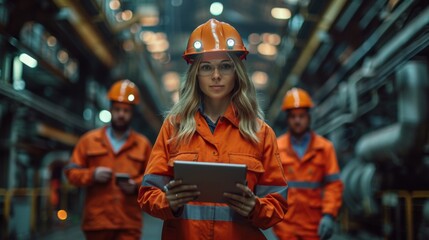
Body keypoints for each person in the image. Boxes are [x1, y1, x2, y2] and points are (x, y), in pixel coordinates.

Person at [138, 18, 288, 240]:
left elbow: (277, 203)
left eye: (225, 66)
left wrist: (255, 207)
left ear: (237, 73)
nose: (216, 75)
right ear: (195, 75)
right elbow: (148, 194)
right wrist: (168, 202)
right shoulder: (174, 128)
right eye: (206, 67)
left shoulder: (260, 133)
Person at [65, 79, 152, 240]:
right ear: (110, 109)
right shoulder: (89, 140)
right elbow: (71, 173)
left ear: (132, 113)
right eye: (118, 109)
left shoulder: (143, 145)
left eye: (126, 111)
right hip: (97, 223)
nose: (121, 114)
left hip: (128, 225)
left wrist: (135, 185)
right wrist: (92, 175)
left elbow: (152, 179)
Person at [272, 88, 344, 240]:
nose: (297, 120)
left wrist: (329, 215)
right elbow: (268, 186)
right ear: (287, 119)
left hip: (314, 227)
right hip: (285, 227)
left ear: (309, 117)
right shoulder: (277, 147)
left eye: (301, 116)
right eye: (293, 116)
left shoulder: (324, 148)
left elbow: (334, 185)